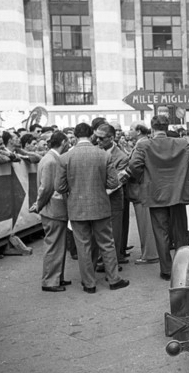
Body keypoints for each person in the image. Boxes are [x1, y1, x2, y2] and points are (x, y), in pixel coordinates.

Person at [125, 115, 189, 281]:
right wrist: (185, 175)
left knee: (160, 232)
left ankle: (166, 270)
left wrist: (143, 179)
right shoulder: (181, 142)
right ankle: (182, 268)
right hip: (178, 192)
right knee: (180, 231)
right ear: (167, 127)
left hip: (155, 193)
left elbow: (134, 165)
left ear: (152, 128)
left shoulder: (145, 145)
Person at [55, 123, 129, 293]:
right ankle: (113, 279)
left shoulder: (65, 157)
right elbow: (113, 182)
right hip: (101, 206)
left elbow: (59, 187)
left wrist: (74, 187)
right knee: (106, 243)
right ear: (91, 135)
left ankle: (89, 283)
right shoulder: (103, 155)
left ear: (75, 135)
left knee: (83, 246)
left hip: (77, 208)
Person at [30, 131, 71, 292]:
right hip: (53, 209)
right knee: (54, 245)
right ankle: (50, 281)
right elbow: (47, 187)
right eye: (67, 142)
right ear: (63, 142)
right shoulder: (52, 161)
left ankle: (56, 277)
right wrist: (38, 204)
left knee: (57, 244)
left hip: (53, 209)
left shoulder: (50, 159)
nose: (68, 144)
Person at [94, 123, 129, 266]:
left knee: (114, 233)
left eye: (101, 138)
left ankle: (111, 264)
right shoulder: (94, 151)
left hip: (113, 200)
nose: (98, 141)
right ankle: (99, 259)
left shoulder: (121, 157)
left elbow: (117, 182)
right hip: (96, 200)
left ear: (111, 138)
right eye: (96, 137)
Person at [126, 123, 159, 265]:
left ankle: (150, 254)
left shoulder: (141, 144)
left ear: (139, 131)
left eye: (131, 129)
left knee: (145, 223)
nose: (129, 131)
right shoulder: (148, 142)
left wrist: (137, 176)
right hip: (148, 187)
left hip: (141, 189)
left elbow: (134, 165)